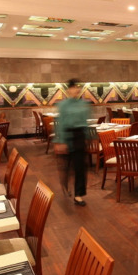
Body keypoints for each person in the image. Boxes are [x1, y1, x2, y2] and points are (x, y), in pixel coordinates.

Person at [55, 78, 90, 206]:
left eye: (78, 88)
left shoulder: (83, 104)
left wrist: (87, 138)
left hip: (79, 136)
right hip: (67, 135)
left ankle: (78, 195)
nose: (76, 90)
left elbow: (85, 122)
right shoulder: (63, 105)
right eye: (74, 87)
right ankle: (65, 187)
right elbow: (61, 123)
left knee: (80, 167)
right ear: (69, 89)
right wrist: (61, 141)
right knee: (65, 167)